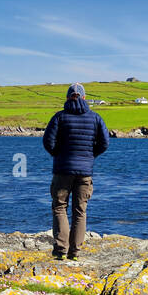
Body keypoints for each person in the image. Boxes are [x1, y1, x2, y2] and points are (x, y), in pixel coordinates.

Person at [41, 83, 108, 260]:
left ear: (68, 97)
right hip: (85, 172)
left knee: (59, 207)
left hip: (62, 170)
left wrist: (58, 155)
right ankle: (75, 252)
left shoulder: (59, 117)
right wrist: (89, 156)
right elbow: (104, 143)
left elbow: (48, 141)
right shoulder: (95, 118)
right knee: (80, 211)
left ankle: (61, 250)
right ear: (84, 98)